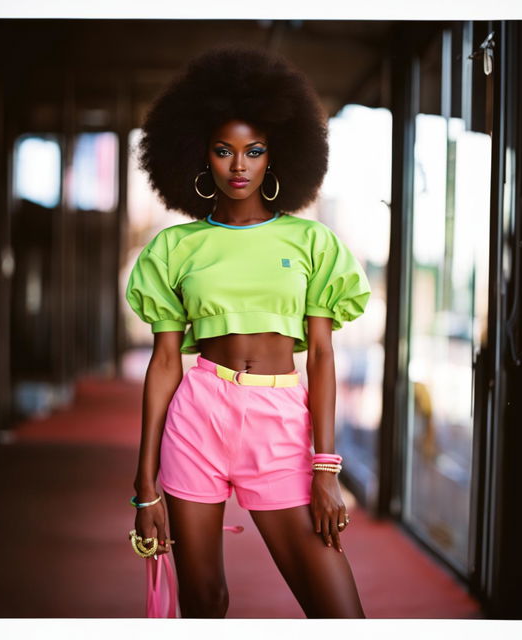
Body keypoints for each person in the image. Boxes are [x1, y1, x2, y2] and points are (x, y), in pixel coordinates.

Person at [125, 46, 371, 618]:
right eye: (224, 151)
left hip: (281, 425)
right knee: (205, 601)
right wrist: (145, 487)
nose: (239, 166)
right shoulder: (175, 248)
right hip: (198, 418)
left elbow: (322, 357)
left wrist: (326, 467)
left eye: (253, 151)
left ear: (274, 157)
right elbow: (165, 363)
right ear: (200, 156)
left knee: (340, 611)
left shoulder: (312, 243)